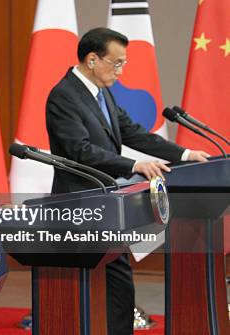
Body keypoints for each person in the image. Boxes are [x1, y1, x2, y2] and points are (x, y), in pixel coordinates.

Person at [45, 27, 209, 334]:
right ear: (92, 59)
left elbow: (132, 132)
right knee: (92, 290)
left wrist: (185, 154)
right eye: (116, 62)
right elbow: (80, 150)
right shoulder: (64, 96)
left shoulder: (101, 92)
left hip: (106, 205)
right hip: (80, 208)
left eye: (124, 63)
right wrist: (135, 164)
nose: (121, 70)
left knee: (118, 288)